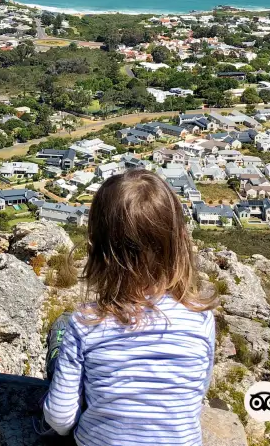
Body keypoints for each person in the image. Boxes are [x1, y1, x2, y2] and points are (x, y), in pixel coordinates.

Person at [41, 169, 217, 446]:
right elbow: (197, 391)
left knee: (62, 337)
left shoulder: (85, 323)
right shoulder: (200, 318)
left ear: (98, 249)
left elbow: (59, 418)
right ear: (178, 241)